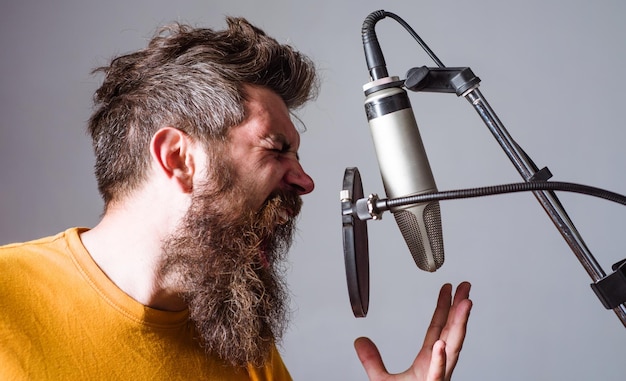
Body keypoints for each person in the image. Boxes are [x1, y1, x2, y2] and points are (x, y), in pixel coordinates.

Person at [0, 17, 472, 380]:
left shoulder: (246, 353)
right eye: (276, 148)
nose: (307, 182)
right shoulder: (9, 299)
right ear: (178, 158)